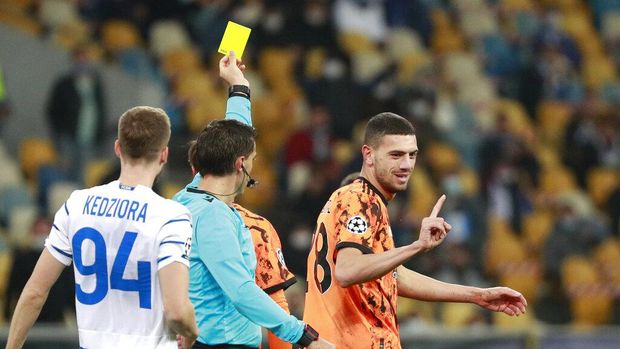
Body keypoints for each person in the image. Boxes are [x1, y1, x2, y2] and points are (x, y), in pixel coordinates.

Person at [304, 112, 528, 348]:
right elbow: (348, 270)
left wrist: (477, 295)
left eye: (412, 155)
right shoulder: (360, 199)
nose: (406, 165)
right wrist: (416, 246)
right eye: (396, 155)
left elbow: (396, 277)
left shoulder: (365, 200)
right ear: (368, 154)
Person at [173, 52, 333, 349]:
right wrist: (304, 337)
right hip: (221, 344)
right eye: (253, 159)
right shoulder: (213, 218)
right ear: (240, 164)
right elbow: (241, 290)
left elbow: (233, 135)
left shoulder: (188, 197)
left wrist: (238, 86)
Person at [6, 106, 198, 349]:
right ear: (164, 154)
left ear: (118, 148)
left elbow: (35, 292)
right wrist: (191, 333)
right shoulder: (172, 216)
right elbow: (177, 312)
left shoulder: (77, 204)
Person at [187, 141, 297, 349]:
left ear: (194, 171)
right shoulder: (257, 229)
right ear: (241, 165)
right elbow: (276, 301)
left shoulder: (173, 215)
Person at [46, 44, 107, 182]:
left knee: (81, 176)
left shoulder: (96, 85)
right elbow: (52, 110)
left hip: (88, 138)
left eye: (84, 60)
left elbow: (101, 111)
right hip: (68, 137)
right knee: (64, 171)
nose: (82, 63)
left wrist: (99, 135)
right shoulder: (64, 84)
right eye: (79, 60)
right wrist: (59, 133)